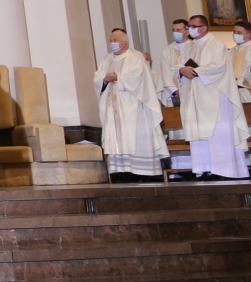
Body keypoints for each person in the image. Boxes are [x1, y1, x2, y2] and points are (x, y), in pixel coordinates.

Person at [175, 14, 250, 180]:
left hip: (214, 98)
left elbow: (218, 67)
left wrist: (194, 71)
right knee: (199, 133)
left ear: (203, 28)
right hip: (195, 98)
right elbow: (179, 64)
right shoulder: (189, 47)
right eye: (189, 26)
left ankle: (223, 170)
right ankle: (204, 169)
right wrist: (181, 70)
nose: (190, 30)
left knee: (218, 133)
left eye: (193, 26)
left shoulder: (216, 45)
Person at [95, 28, 167, 183]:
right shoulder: (107, 60)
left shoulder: (136, 57)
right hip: (113, 108)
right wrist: (105, 80)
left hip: (133, 108)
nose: (112, 43)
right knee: (117, 137)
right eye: (111, 40)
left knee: (135, 136)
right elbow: (97, 77)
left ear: (124, 42)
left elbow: (138, 78)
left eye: (115, 40)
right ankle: (120, 171)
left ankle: (141, 172)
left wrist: (118, 77)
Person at [232, 20, 251, 103]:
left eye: (239, 33)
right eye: (234, 32)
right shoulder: (231, 51)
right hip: (232, 90)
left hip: (246, 91)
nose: (235, 35)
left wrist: (239, 81)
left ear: (248, 35)